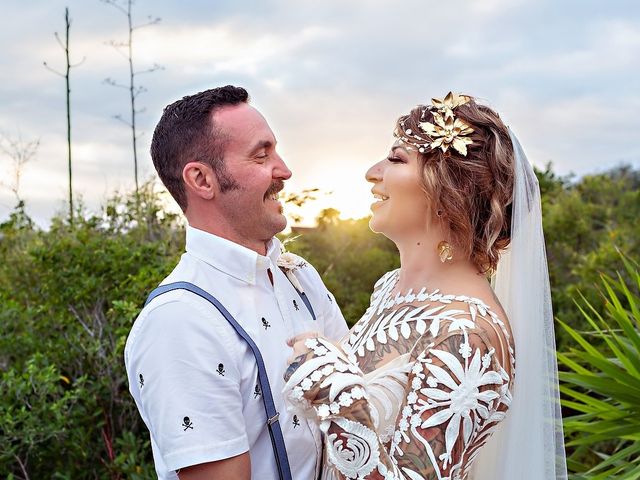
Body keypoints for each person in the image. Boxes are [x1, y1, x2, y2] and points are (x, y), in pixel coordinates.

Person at [284, 93, 567, 479]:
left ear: (449, 189)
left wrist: (333, 394)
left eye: (397, 158)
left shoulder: (469, 334)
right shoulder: (390, 289)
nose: (372, 171)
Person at [124, 85, 348, 480]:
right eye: (261, 155)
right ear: (202, 180)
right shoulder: (181, 322)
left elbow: (353, 412)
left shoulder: (301, 278)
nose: (284, 170)